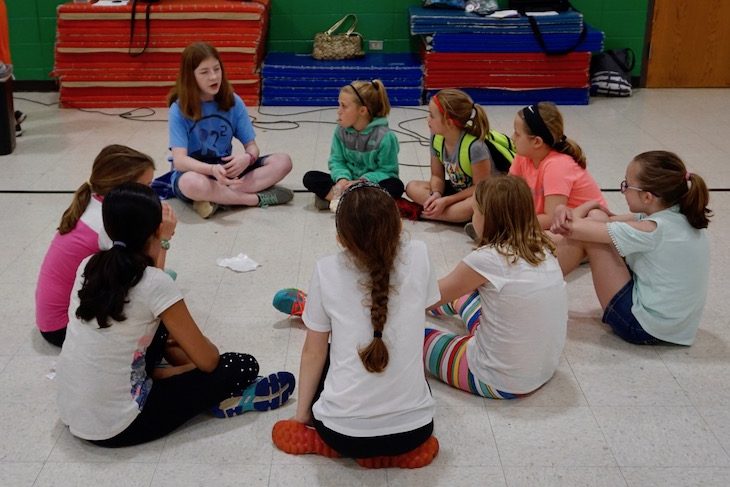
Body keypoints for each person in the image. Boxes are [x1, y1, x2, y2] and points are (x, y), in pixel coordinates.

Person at [56, 183, 295, 447]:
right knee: (240, 365)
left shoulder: (87, 266)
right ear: (157, 228)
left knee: (157, 330)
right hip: (119, 426)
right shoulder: (154, 283)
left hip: (72, 412)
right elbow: (208, 360)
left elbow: (147, 290)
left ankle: (160, 373)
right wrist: (187, 367)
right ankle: (232, 397)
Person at [272, 181, 440, 469]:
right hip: (415, 431)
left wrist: (301, 416)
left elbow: (313, 353)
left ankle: (327, 445)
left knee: (327, 353)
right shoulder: (421, 254)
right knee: (410, 367)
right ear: (399, 227)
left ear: (340, 239)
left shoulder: (326, 270)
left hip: (342, 434)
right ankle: (393, 453)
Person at [425, 176, 567, 398]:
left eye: (475, 211)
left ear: (486, 218)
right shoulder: (544, 249)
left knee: (414, 337)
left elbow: (428, 295)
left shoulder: (486, 259)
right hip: (544, 370)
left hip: (496, 380)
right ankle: (437, 312)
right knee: (463, 296)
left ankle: (430, 316)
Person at [551, 151, 711, 345]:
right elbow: (604, 219)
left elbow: (573, 229)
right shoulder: (675, 214)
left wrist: (560, 210)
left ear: (647, 197)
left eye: (626, 185)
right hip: (674, 328)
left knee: (592, 237)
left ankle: (535, 285)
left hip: (642, 327)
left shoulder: (651, 229)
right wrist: (589, 208)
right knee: (596, 221)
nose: (623, 190)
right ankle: (537, 280)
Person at [35, 145, 162, 347]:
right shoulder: (106, 225)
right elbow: (149, 280)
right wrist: (162, 239)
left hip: (55, 319)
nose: (151, 193)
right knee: (157, 309)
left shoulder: (96, 204)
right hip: (63, 328)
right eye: (145, 186)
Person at [168, 42, 293, 219]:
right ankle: (254, 200)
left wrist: (247, 159)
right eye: (205, 72)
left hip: (226, 171)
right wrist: (211, 170)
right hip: (196, 172)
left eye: (217, 69)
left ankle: (217, 198)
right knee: (191, 183)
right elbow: (180, 161)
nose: (213, 77)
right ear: (190, 76)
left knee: (283, 161)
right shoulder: (178, 109)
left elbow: (252, 147)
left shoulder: (233, 101)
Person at [302, 80, 403, 212]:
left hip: (368, 185)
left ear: (362, 111)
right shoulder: (340, 130)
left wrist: (363, 181)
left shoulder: (385, 137)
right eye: (339, 105)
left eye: (343, 106)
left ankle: (340, 200)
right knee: (310, 177)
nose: (339, 111)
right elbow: (337, 161)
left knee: (396, 186)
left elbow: (388, 171)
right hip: (346, 184)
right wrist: (342, 179)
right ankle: (357, 203)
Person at [509, 102, 606, 230]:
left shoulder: (557, 165)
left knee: (531, 241)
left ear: (537, 142)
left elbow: (551, 219)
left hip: (585, 226)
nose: (512, 137)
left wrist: (509, 226)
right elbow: (508, 192)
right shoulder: (523, 156)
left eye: (517, 133)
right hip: (554, 225)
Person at [404, 89, 496, 223]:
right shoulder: (436, 139)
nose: (427, 119)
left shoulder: (475, 147)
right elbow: (437, 176)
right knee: (412, 187)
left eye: (432, 115)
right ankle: (451, 215)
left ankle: (429, 213)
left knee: (474, 203)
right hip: (457, 191)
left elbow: (480, 187)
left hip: (480, 194)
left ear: (449, 122)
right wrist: (436, 194)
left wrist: (447, 200)